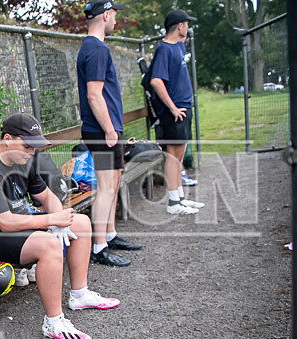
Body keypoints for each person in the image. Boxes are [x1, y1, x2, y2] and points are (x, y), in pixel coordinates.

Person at [0, 113, 120, 339]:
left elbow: (46, 196)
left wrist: (58, 219)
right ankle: (54, 322)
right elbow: (5, 222)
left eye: (34, 147)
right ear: (7, 139)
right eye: (27, 146)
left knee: (81, 223)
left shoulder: (24, 161)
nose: (32, 152)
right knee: (49, 245)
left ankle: (79, 294)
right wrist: (50, 220)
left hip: (19, 223)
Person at [76, 0, 142, 267]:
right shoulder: (96, 49)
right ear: (105, 14)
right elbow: (94, 95)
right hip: (102, 131)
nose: (116, 19)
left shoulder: (94, 47)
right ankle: (99, 246)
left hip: (106, 129)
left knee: (113, 183)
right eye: (114, 14)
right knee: (104, 188)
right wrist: (109, 129)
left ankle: (110, 235)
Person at [150, 9, 205, 214]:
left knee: (179, 155)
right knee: (172, 156)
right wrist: (172, 107)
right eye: (186, 24)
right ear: (180, 26)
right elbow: (156, 81)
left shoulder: (179, 48)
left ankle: (180, 198)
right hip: (174, 111)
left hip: (184, 107)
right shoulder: (164, 49)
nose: (188, 28)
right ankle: (173, 203)